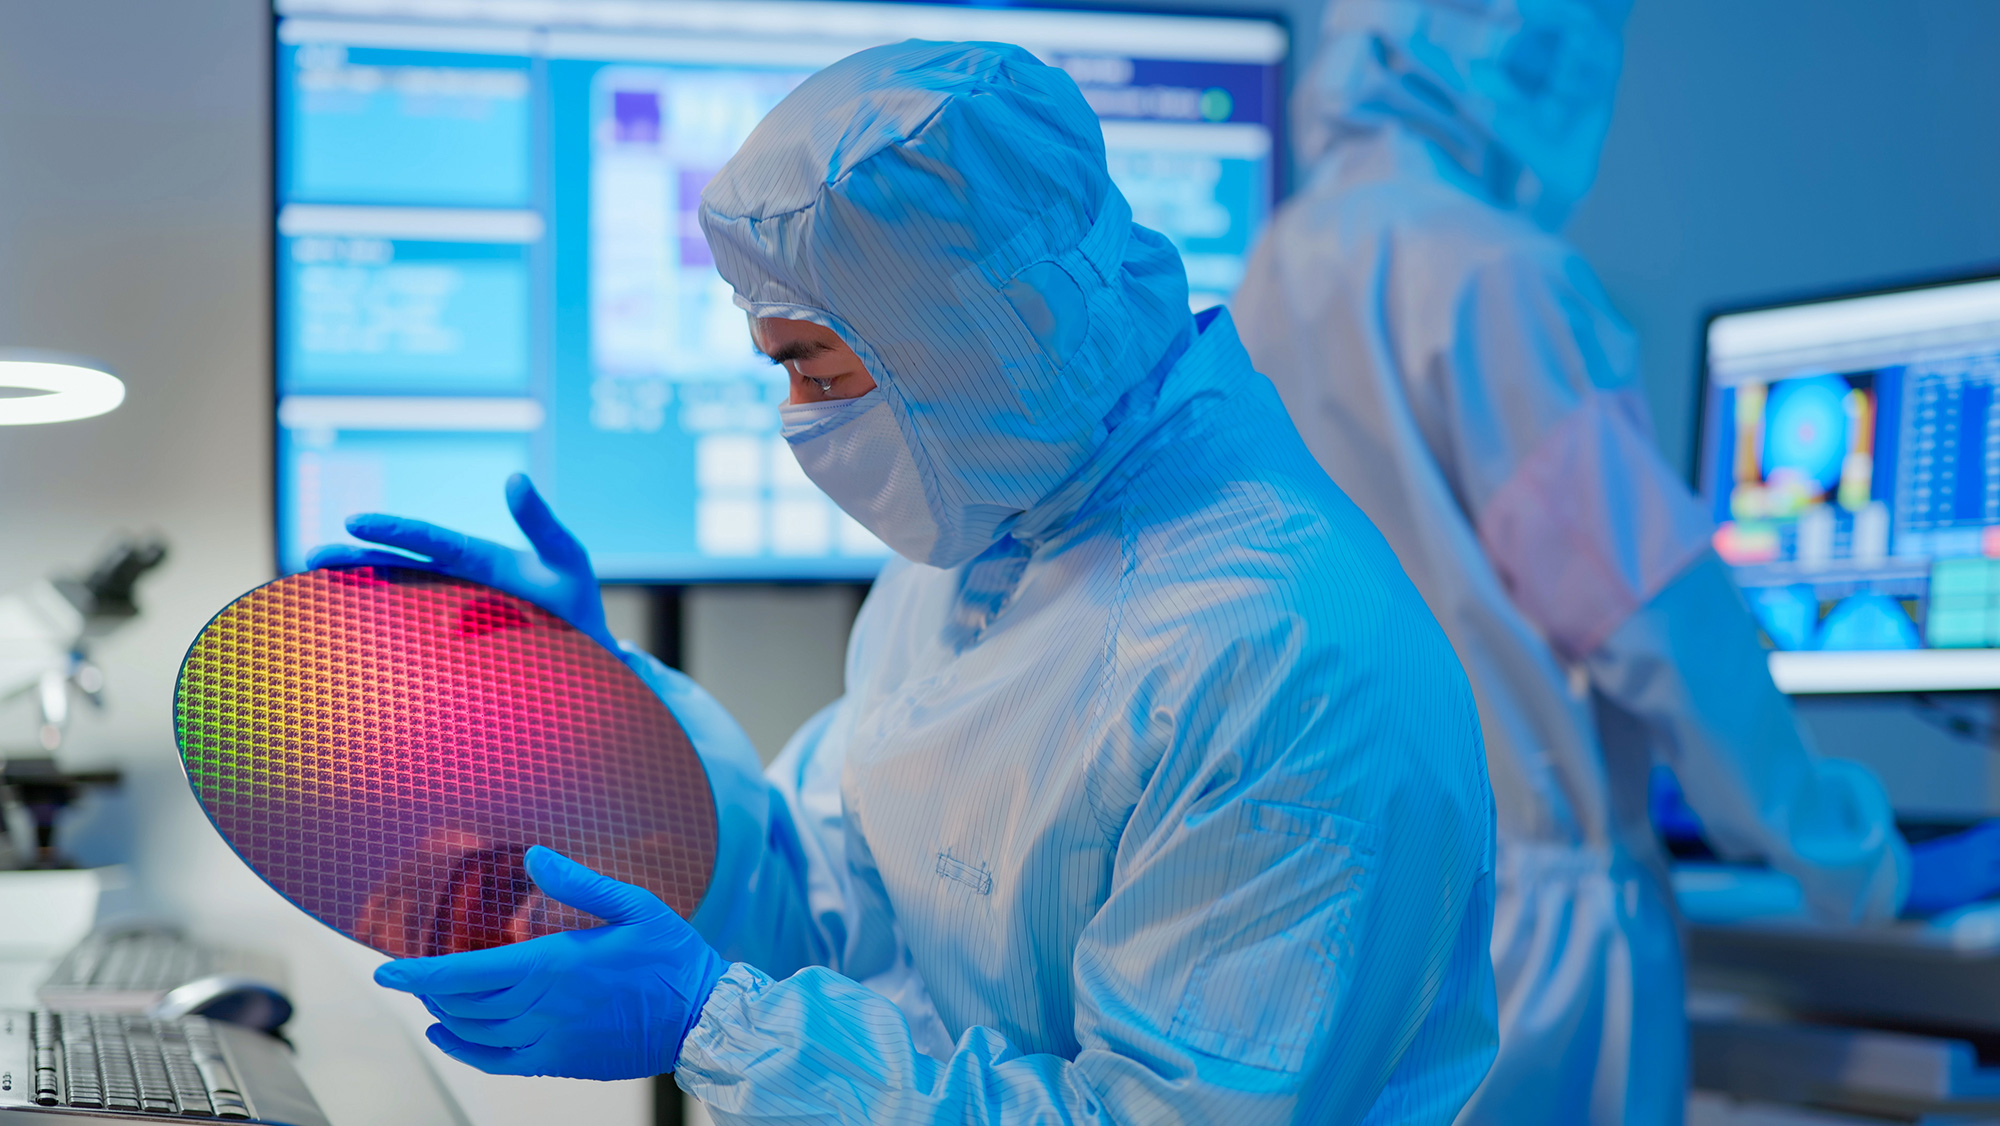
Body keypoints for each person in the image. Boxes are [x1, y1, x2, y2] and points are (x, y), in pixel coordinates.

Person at [311, 40, 1501, 1124]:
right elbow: (828, 910)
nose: (797, 421)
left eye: (814, 368)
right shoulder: (986, 542)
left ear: (968, 337)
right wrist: (614, 713)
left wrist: (712, 1025)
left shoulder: (1282, 658)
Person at [1230, 2, 1956, 1123]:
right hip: (1524, 932)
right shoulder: (1490, 275)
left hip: (1324, 910)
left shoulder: (1273, 268)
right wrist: (1847, 858)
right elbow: (1654, 615)